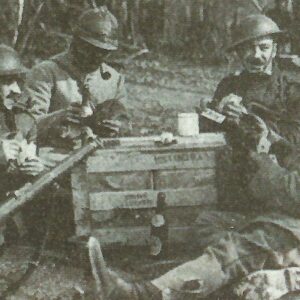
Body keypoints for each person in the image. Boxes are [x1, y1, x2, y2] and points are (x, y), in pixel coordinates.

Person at [85, 113, 300, 300]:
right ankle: (239, 273)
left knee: (239, 246)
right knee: (209, 223)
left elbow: (291, 191)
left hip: (292, 227)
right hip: (285, 218)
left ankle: (141, 294)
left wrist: (264, 161)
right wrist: (271, 138)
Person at [194, 14, 300, 247]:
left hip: (277, 175)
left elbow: (295, 137)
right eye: (248, 49)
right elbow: (210, 130)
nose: (256, 55)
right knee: (210, 227)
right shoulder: (229, 84)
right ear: (239, 52)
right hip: (235, 178)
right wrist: (211, 112)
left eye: (263, 47)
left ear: (275, 49)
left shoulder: (292, 88)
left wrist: (248, 119)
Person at [25, 6, 129, 149]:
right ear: (76, 42)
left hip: (100, 156)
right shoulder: (46, 73)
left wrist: (117, 126)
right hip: (55, 157)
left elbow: (125, 124)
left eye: (104, 52)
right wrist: (59, 117)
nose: (97, 57)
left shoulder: (114, 79)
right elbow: (26, 126)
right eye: (91, 49)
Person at [0, 44, 47, 249]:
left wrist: (36, 169)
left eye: (17, 81)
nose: (16, 90)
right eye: (7, 82)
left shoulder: (23, 120)